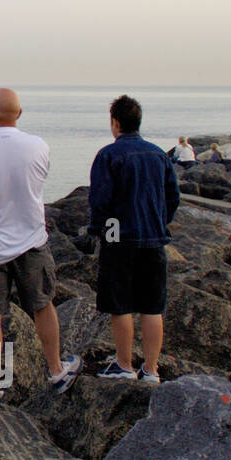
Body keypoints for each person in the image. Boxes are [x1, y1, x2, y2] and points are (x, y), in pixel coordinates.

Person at [0, 88, 82, 409]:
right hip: (31, 242)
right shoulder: (38, 146)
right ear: (20, 114)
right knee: (42, 305)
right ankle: (56, 369)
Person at [86, 95, 179, 383]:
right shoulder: (159, 155)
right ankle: (151, 369)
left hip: (119, 240)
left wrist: (98, 231)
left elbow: (100, 200)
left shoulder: (108, 155)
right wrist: (159, 221)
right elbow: (172, 197)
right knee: (153, 306)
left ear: (115, 122)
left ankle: (124, 365)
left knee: (121, 304)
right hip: (153, 239)